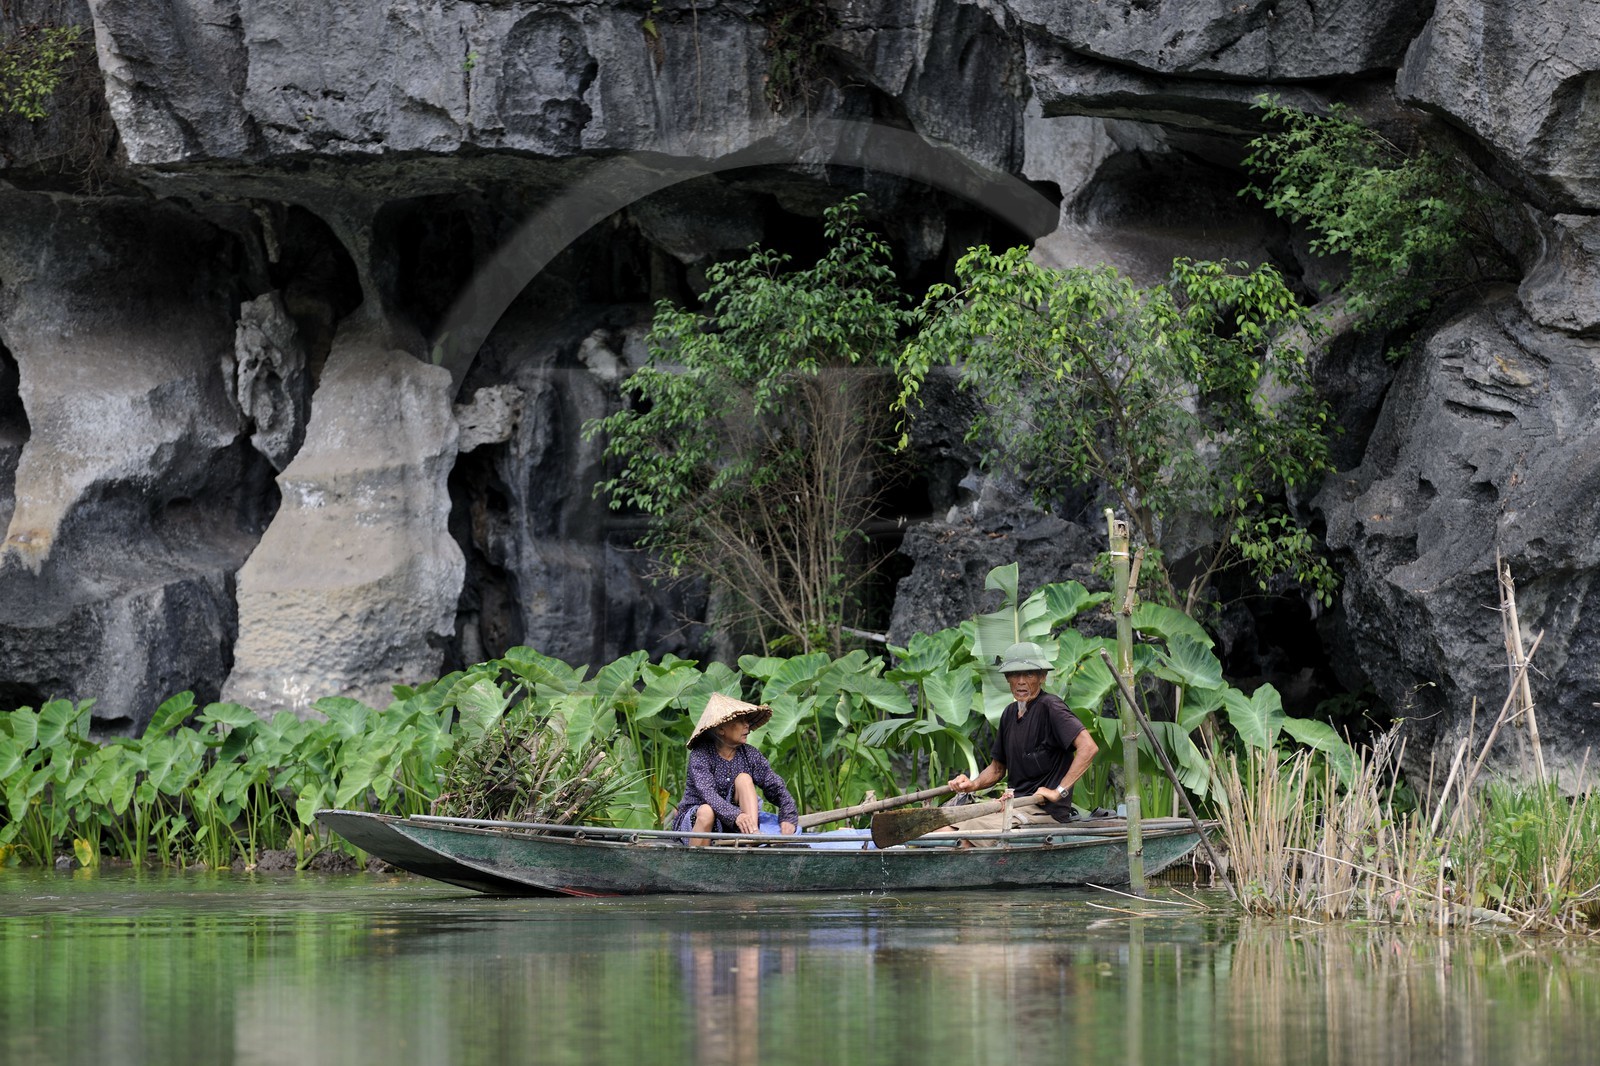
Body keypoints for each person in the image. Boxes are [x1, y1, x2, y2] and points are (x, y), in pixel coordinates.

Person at [945, 641, 1098, 842]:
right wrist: (972, 784)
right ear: (1007, 678)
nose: (1021, 681)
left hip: (1043, 811)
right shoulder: (1009, 713)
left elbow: (1089, 747)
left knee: (968, 835)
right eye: (1015, 675)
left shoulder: (1051, 707)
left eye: (1029, 674)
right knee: (944, 828)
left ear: (1042, 677)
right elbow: (997, 769)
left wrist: (1058, 792)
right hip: (1013, 805)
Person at [672, 692, 799, 845]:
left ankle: (752, 836)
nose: (746, 725)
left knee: (744, 778)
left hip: (735, 827)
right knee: (707, 811)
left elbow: (774, 786)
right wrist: (736, 815)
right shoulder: (701, 755)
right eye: (740, 721)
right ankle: (699, 862)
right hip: (697, 823)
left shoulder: (749, 754)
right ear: (721, 729)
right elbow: (707, 794)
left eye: (747, 721)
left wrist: (788, 815)